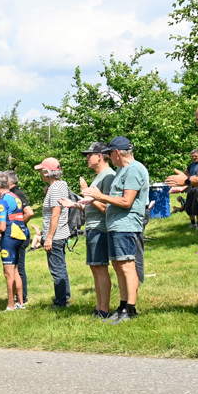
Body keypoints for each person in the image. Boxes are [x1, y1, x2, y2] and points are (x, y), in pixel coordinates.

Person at [83, 136, 149, 324]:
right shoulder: (123, 170)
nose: (109, 157)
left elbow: (127, 201)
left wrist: (99, 196)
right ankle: (122, 306)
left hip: (126, 225)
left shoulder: (134, 169)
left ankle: (131, 308)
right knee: (119, 266)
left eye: (109, 153)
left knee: (127, 266)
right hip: (116, 225)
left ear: (117, 153)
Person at [60, 142, 116, 318]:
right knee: (95, 268)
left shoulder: (109, 177)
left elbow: (107, 207)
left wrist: (88, 194)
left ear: (99, 156)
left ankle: (105, 309)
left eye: (89, 155)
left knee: (100, 268)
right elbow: (92, 205)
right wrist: (75, 205)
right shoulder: (99, 177)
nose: (86, 158)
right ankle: (99, 307)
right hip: (92, 228)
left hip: (101, 228)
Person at [0, 172, 29, 311]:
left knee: (8, 273)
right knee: (16, 271)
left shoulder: (2, 201)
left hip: (10, 238)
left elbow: (2, 226)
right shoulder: (15, 196)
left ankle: (10, 305)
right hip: (22, 234)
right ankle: (20, 303)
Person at [35, 157, 71, 308]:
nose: (40, 173)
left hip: (55, 236)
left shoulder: (55, 189)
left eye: (41, 171)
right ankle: (65, 298)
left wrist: (48, 237)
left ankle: (61, 302)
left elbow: (55, 214)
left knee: (57, 270)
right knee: (61, 267)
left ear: (46, 171)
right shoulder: (62, 185)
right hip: (63, 233)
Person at [6, 170, 34, 303]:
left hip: (19, 235)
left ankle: (22, 297)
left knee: (18, 267)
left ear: (9, 182)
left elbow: (29, 212)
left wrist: (18, 226)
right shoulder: (13, 194)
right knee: (15, 266)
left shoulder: (17, 194)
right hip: (15, 235)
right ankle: (19, 297)